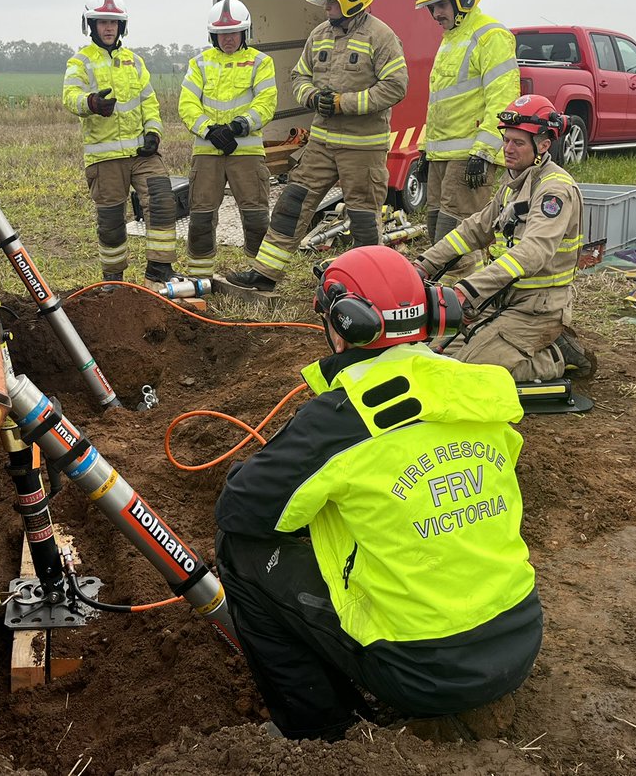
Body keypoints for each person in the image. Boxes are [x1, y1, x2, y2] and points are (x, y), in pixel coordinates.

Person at [215, 244, 543, 741]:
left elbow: (241, 510)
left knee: (239, 554)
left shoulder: (340, 422)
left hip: (425, 673)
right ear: (434, 310)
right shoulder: (475, 391)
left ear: (342, 325)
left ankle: (321, 732)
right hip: (518, 639)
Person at [227, 0, 408, 293]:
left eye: (331, 2)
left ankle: (366, 288)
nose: (325, 8)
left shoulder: (381, 36)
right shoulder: (320, 34)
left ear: (351, 1)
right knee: (292, 205)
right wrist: (311, 97)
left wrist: (344, 103)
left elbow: (396, 86)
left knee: (364, 221)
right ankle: (265, 274)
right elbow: (299, 76)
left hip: (363, 147)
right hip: (321, 145)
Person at [413, 94, 593, 381]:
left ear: (543, 146)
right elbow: (472, 230)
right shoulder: (514, 184)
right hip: (501, 301)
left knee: (471, 373)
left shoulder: (554, 191)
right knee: (435, 352)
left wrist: (467, 291)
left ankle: (556, 355)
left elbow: (532, 252)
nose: (507, 149)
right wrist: (421, 266)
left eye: (518, 142)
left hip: (537, 310)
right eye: (506, 140)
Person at [63, 0, 179, 289]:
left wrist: (153, 133)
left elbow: (149, 101)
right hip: (105, 158)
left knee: (164, 202)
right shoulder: (80, 61)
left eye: (114, 22)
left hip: (143, 154)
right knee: (111, 222)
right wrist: (91, 103)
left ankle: (159, 269)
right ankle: (114, 279)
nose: (108, 27)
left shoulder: (135, 62)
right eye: (102, 22)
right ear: (91, 25)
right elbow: (69, 96)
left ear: (122, 26)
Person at [414, 0, 520, 280]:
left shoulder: (490, 35)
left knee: (453, 238)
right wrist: (424, 149)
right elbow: (440, 103)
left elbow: (502, 97)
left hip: (470, 156)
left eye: (441, 5)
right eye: (432, 8)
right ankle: (451, 301)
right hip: (442, 155)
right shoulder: (451, 39)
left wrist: (484, 152)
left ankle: (454, 307)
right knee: (436, 229)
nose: (436, 15)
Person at [178, 0, 278, 277]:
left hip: (246, 152)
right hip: (208, 152)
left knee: (256, 216)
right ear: (213, 35)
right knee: (201, 216)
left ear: (245, 33)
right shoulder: (199, 63)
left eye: (234, 33)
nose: (228, 39)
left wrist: (237, 126)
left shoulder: (261, 62)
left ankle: (259, 275)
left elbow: (266, 102)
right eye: (222, 34)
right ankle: (200, 277)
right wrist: (209, 130)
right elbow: (187, 104)